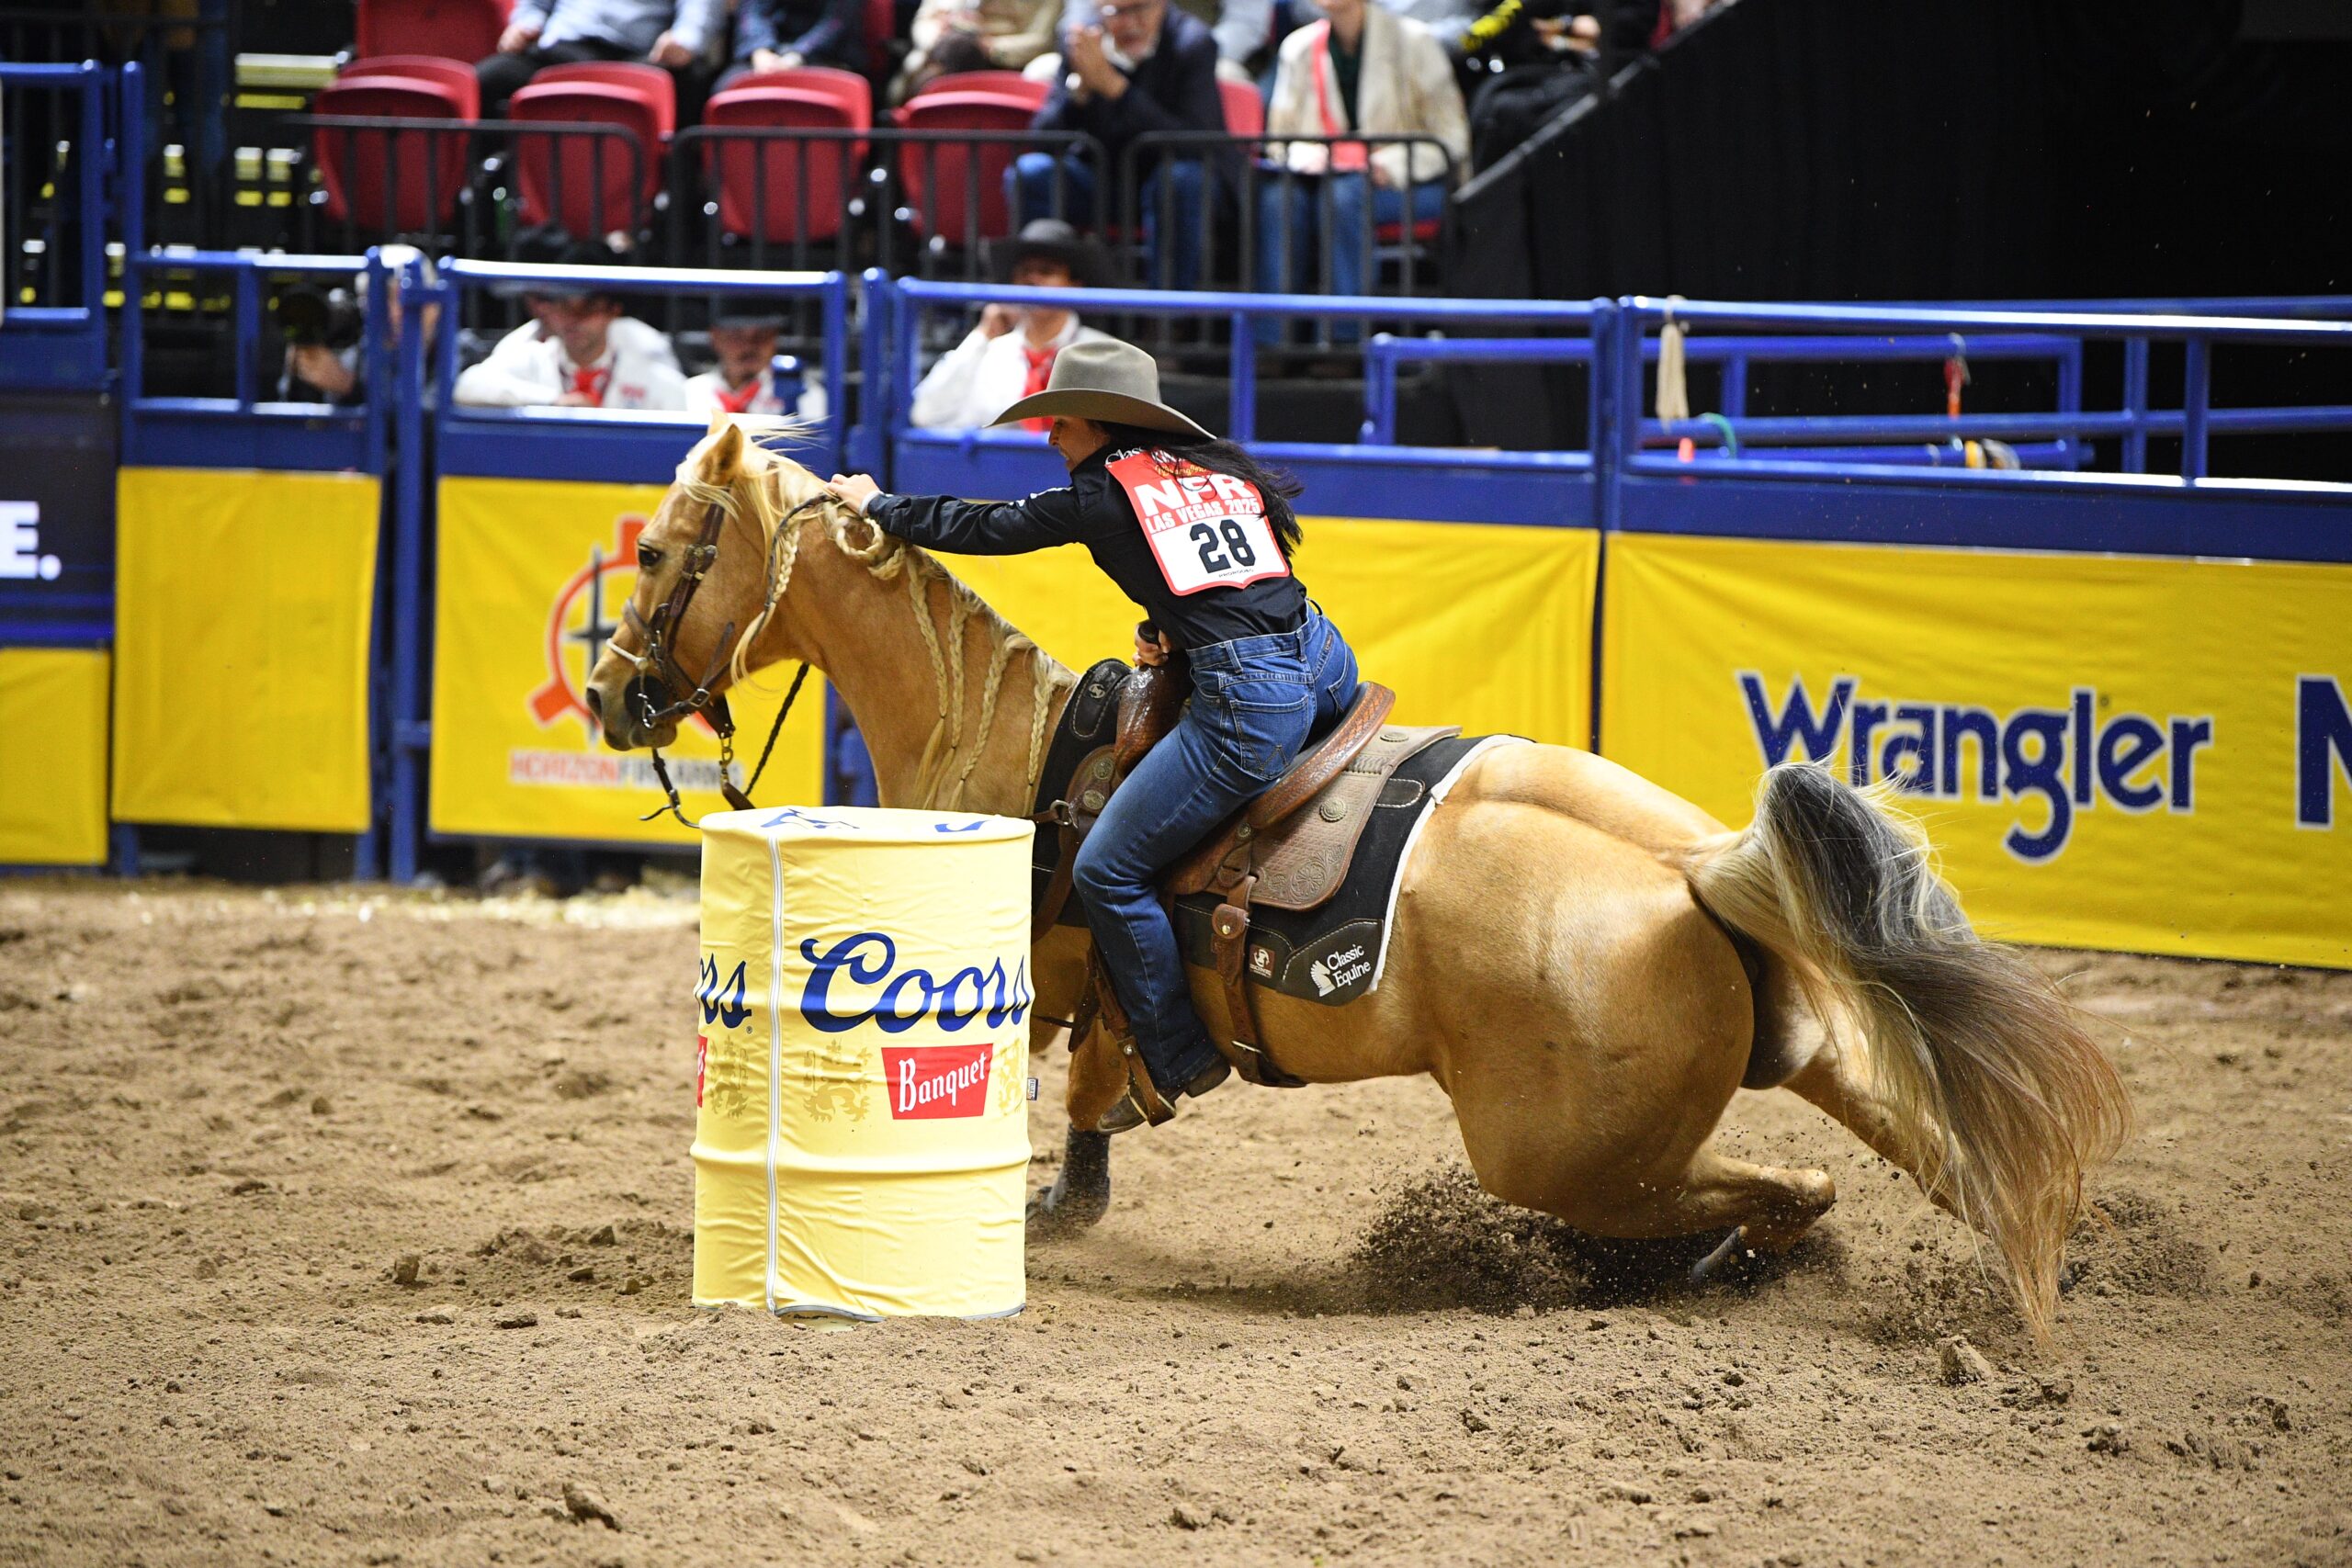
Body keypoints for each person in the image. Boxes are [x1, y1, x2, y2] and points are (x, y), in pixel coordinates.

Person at [821, 339, 1363, 1132]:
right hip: (1325, 659)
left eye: (1060, 421)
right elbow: (1248, 583)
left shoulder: (1108, 491)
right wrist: (1177, 631)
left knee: (1108, 867)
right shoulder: (1215, 471)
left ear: (1099, 425)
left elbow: (989, 526)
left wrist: (877, 505)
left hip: (1253, 700)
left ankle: (1178, 1053)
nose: (1050, 437)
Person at [1252, 0, 1465, 335]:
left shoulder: (1414, 41)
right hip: (1323, 181)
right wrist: (1307, 155)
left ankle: (1344, 340)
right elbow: (1279, 141)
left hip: (1406, 184)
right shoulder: (1299, 46)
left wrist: (1384, 164)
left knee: (1344, 196)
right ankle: (1270, 342)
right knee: (1278, 199)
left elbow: (1451, 138)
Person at [1012, 0, 1230, 289]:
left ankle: (1166, 316)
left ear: (1161, 6)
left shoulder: (1192, 42)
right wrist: (1078, 95)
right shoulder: (1085, 44)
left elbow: (1197, 142)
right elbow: (1042, 138)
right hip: (1101, 181)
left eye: (1139, 9)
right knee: (1032, 172)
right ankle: (1042, 303)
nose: (1128, 23)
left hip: (1168, 187)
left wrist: (1118, 90)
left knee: (1180, 179)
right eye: (1116, 13)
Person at [909, 219, 1114, 431]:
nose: (1032, 279)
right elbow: (924, 414)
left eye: (1046, 271)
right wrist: (982, 335)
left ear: (1074, 285)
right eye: (1024, 272)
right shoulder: (988, 352)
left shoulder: (1104, 353)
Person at [455, 276, 687, 410]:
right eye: (565, 308)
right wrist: (554, 401)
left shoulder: (646, 370)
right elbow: (467, 386)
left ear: (612, 312)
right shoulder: (531, 357)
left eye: (588, 309)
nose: (575, 320)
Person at [475, 0, 724, 116]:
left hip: (635, 60)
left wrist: (683, 41)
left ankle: (670, 210)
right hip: (560, 52)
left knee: (692, 79)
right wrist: (524, 26)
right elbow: (534, 8)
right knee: (486, 79)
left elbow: (698, 13)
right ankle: (475, 206)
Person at [1057, 0, 1274, 81]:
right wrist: (1101, 53)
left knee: (1226, 74)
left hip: (1193, 54)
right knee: (1045, 69)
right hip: (1115, 50)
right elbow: (1078, 20)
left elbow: (1245, 24)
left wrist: (1189, 57)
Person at [890, 0, 1063, 101]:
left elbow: (1042, 40)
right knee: (957, 47)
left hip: (1003, 61)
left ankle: (916, 125)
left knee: (960, 50)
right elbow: (926, 20)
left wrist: (992, 48)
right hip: (944, 49)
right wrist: (936, 37)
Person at [718, 0, 866, 87]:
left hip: (826, 57)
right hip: (767, 56)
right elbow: (752, 13)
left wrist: (796, 56)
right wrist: (760, 51)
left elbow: (836, 23)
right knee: (729, 86)